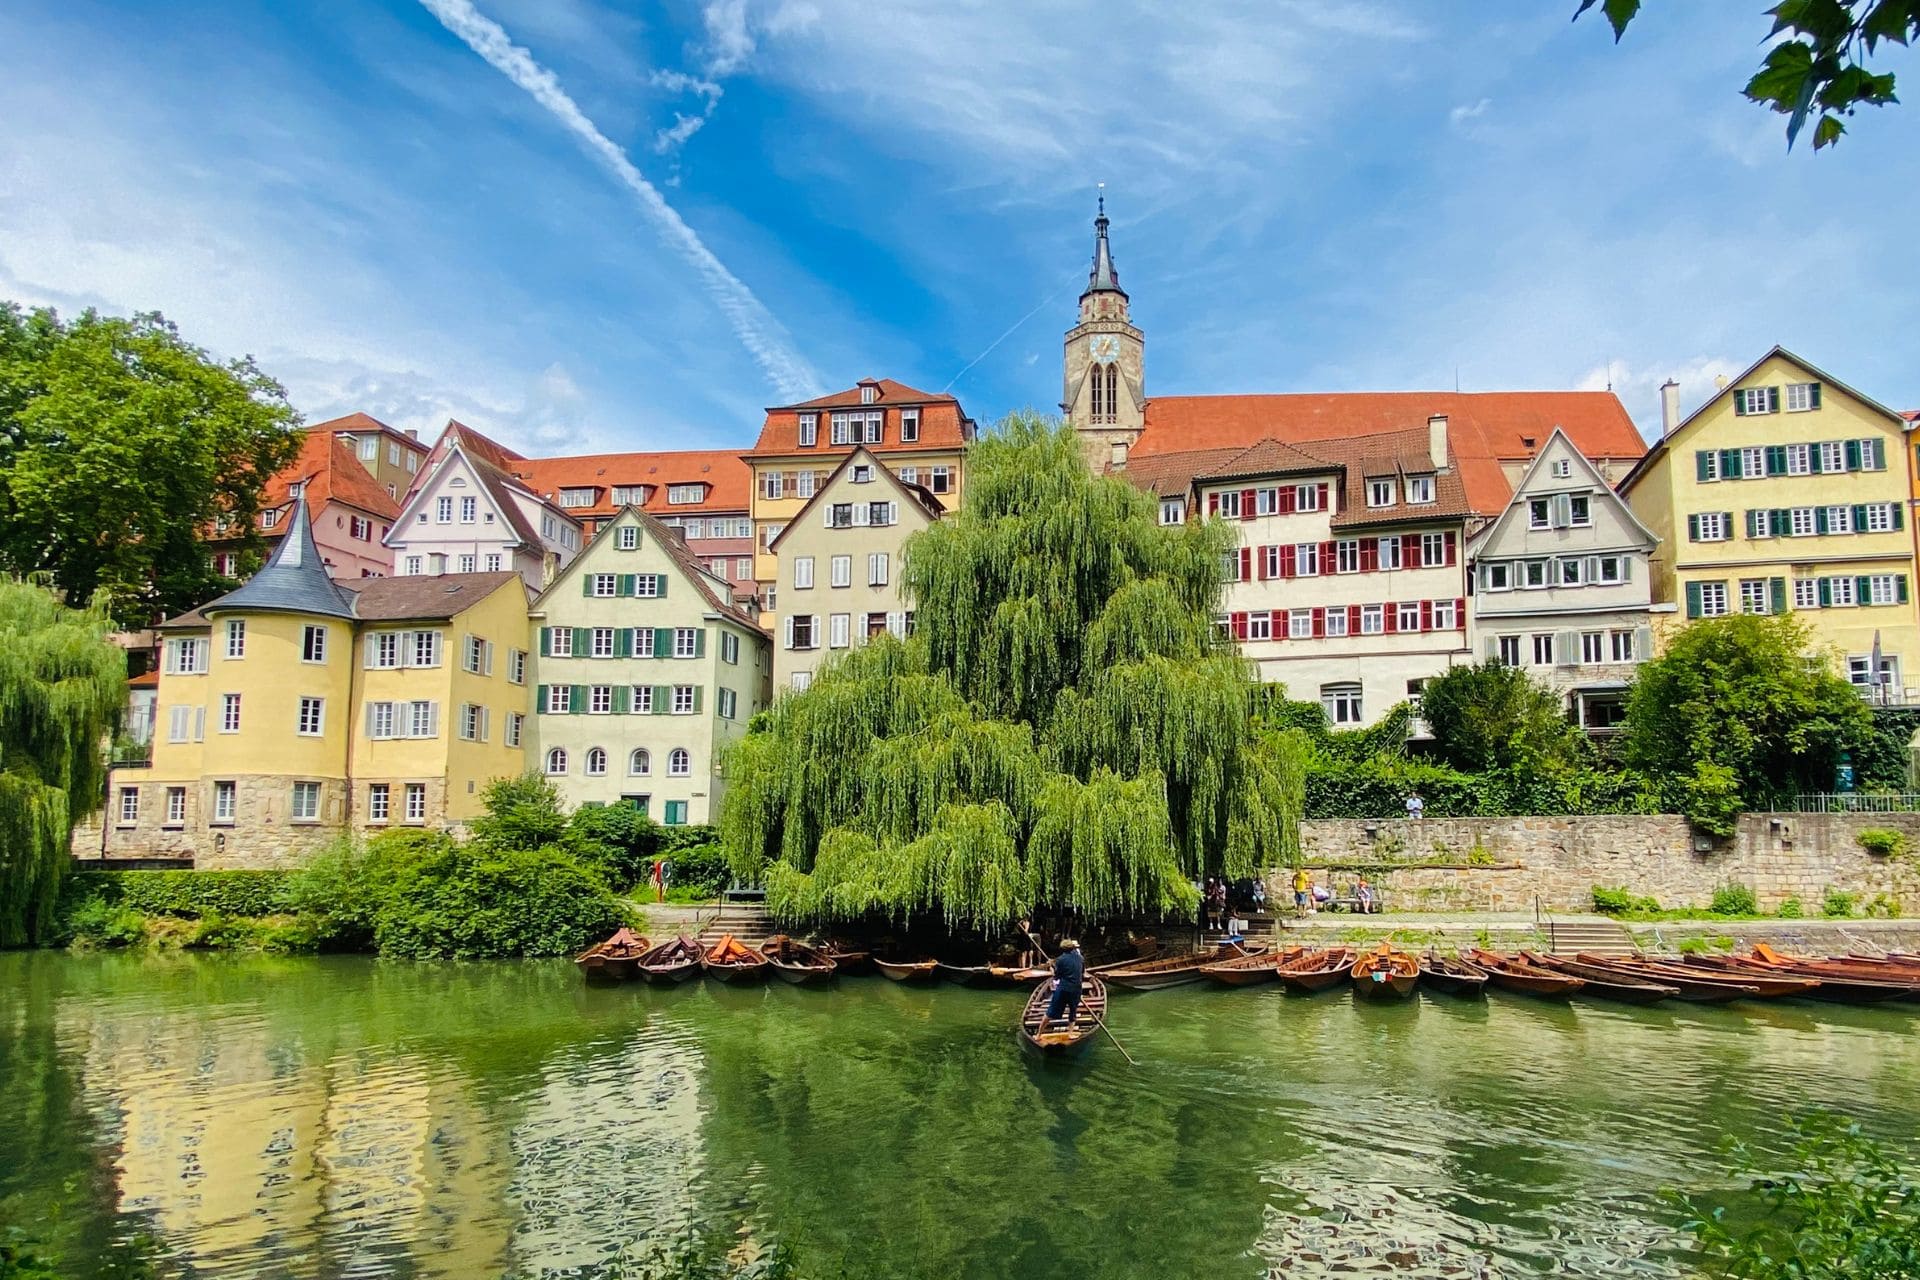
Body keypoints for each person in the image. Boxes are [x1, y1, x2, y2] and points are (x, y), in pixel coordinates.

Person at [1041, 938, 1085, 1032]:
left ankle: (1038, 1034)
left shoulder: (1060, 960)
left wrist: (1051, 968)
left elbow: (1056, 977)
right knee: (1073, 1011)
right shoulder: (1080, 958)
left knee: (1051, 1011)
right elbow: (1082, 973)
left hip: (1064, 988)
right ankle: (1070, 1033)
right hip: (1076, 988)